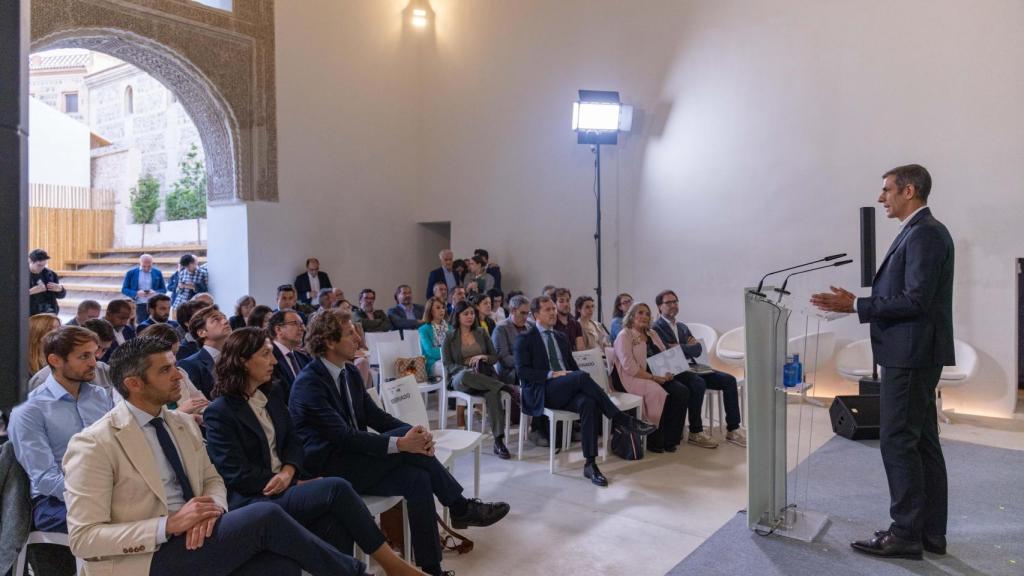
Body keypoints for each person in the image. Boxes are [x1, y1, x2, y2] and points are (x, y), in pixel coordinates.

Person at [63, 336, 371, 576]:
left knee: (278, 564)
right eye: (166, 370)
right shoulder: (94, 443)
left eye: (176, 366)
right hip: (143, 558)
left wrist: (211, 510)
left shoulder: (181, 423)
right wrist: (169, 525)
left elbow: (212, 479)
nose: (179, 376)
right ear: (133, 384)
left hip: (198, 535)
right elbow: (84, 539)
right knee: (265, 515)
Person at [289, 310, 510, 576]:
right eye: (350, 333)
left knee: (418, 479)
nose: (358, 338)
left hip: (355, 459)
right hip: (329, 468)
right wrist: (403, 444)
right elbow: (343, 437)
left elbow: (376, 417)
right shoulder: (308, 384)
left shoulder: (348, 373)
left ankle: (431, 568)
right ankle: (460, 507)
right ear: (329, 342)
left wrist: (415, 433)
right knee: (412, 455)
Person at [811, 164, 953, 560]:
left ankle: (905, 532)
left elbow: (915, 300)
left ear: (909, 191)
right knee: (923, 442)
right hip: (915, 353)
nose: (881, 198)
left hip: (910, 355)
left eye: (887, 190)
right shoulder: (921, 231)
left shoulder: (924, 232)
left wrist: (855, 304)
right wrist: (854, 303)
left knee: (897, 441)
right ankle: (929, 533)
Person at [203, 329, 425, 576]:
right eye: (266, 354)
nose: (274, 361)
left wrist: (289, 472)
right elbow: (236, 474)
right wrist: (294, 482)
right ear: (242, 361)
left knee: (335, 523)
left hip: (287, 483)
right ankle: (394, 566)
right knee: (337, 487)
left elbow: (294, 443)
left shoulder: (272, 393)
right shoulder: (220, 412)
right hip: (256, 498)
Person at [513, 296, 656, 486]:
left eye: (554, 309)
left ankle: (590, 464)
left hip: (565, 387)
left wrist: (571, 378)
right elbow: (522, 372)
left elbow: (573, 367)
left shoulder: (560, 337)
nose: (553, 313)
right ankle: (621, 418)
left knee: (587, 403)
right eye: (548, 310)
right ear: (535, 314)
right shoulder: (525, 338)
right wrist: (550, 374)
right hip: (543, 389)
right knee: (580, 377)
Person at [9, 327, 115, 538]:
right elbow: (45, 478)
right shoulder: (30, 409)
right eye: (84, 356)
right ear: (55, 360)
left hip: (107, 488)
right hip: (55, 502)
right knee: (131, 519)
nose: (94, 362)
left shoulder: (100, 396)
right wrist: (99, 494)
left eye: (94, 354)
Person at [653, 290, 745, 447]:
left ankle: (733, 429)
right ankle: (695, 432)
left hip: (694, 366)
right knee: (698, 383)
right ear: (659, 307)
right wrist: (686, 347)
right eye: (668, 302)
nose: (673, 305)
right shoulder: (656, 328)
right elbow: (667, 353)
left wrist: (680, 347)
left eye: (675, 301)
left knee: (728, 380)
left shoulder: (682, 327)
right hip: (675, 370)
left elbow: (698, 350)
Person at [614, 303, 691, 453]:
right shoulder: (625, 335)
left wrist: (670, 371)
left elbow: (664, 354)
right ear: (631, 316)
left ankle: (671, 438)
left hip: (658, 373)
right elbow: (629, 367)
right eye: (640, 313)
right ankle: (655, 439)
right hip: (636, 376)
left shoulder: (652, 333)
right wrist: (654, 378)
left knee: (682, 392)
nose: (644, 316)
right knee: (660, 393)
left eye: (647, 314)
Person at [442, 301, 512, 459]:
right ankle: (504, 387)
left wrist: (483, 356)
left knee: (493, 394)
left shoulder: (481, 332)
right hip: (461, 378)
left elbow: (494, 357)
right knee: (467, 375)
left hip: (484, 378)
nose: (470, 317)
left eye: (472, 313)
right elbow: (448, 364)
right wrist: (464, 369)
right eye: (465, 314)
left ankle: (499, 442)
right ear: (458, 316)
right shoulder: (449, 336)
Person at [139, 322, 209, 425]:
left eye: (175, 353)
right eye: (170, 354)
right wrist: (180, 412)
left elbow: (201, 403)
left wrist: (208, 416)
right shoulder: (138, 383)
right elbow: (145, 426)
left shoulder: (180, 372)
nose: (174, 359)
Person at [178, 306, 232, 399]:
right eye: (216, 320)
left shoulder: (237, 356)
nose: (225, 321)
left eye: (224, 318)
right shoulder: (190, 364)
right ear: (202, 333)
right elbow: (199, 402)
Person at [268, 309, 311, 403]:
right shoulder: (269, 358)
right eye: (296, 323)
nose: (303, 329)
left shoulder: (304, 358)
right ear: (278, 329)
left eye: (302, 324)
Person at [121, 253, 167, 322]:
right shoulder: (131, 273)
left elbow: (164, 290)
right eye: (144, 266)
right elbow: (124, 289)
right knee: (141, 327)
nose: (146, 268)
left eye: (149, 266)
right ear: (140, 263)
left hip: (153, 305)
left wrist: (155, 293)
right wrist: (136, 293)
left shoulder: (157, 272)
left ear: (152, 263)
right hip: (138, 305)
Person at [417, 297, 449, 379]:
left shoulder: (450, 327)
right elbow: (431, 352)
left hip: (449, 359)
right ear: (430, 311)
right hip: (432, 362)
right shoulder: (423, 330)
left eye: (443, 307)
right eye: (438, 308)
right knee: (448, 368)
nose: (442, 310)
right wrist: (449, 353)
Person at [28, 248, 66, 316]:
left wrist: (61, 289)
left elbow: (61, 296)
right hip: (31, 315)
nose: (42, 268)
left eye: (44, 265)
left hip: (50, 313)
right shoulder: (21, 276)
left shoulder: (51, 274)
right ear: (30, 261)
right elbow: (13, 297)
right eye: (39, 265)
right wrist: (30, 291)